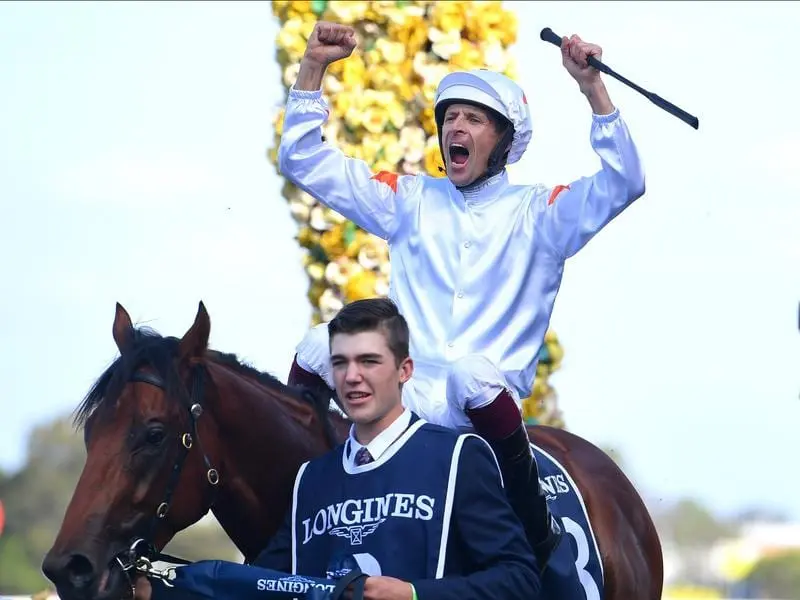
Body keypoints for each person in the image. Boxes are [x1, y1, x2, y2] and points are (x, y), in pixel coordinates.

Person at [280, 21, 646, 569]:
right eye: (450, 117)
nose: (457, 126)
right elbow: (303, 161)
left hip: (478, 403)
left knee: (469, 373)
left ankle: (534, 527)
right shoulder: (407, 198)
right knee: (318, 344)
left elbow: (626, 182)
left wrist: (592, 89)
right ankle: (295, 503)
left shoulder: (541, 213)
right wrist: (312, 69)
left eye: (474, 119)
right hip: (403, 388)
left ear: (503, 140)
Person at [137, 298, 542, 600]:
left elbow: (520, 580)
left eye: (369, 361)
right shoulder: (311, 480)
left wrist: (415, 595)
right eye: (340, 363)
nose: (352, 377)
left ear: (404, 371)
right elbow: (259, 585)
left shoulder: (457, 457)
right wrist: (163, 590)